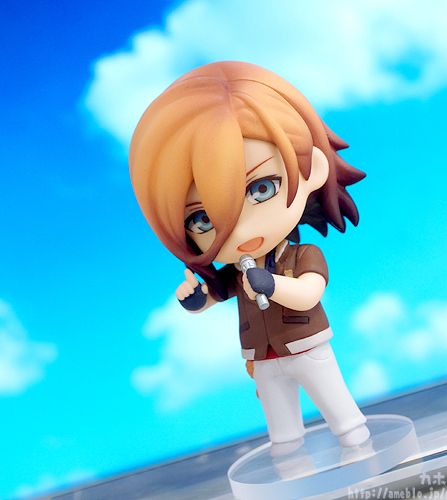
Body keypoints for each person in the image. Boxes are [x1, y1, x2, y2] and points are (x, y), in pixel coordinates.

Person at [129, 61, 370, 448]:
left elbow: (309, 293)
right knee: (284, 438)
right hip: (262, 360)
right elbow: (216, 294)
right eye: (202, 219)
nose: (239, 230)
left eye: (262, 188)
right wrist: (197, 299)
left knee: (344, 419)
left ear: (312, 169)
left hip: (307, 348)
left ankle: (358, 446)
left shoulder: (302, 255)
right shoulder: (238, 274)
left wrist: (271, 285)